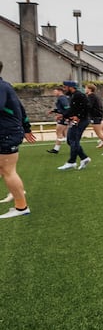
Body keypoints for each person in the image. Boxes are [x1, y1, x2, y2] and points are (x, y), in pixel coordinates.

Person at [0, 60, 37, 218]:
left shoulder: (1, 87)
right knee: (5, 169)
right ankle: (16, 194)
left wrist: (25, 128)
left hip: (6, 133)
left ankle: (21, 207)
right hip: (9, 131)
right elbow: (20, 108)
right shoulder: (6, 85)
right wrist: (26, 128)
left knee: (8, 170)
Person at [56, 80, 92, 171]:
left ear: (70, 87)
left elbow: (88, 107)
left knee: (73, 140)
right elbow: (73, 109)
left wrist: (78, 116)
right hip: (77, 120)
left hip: (81, 120)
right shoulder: (73, 95)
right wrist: (63, 115)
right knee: (70, 140)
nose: (64, 89)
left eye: (65, 87)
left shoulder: (79, 95)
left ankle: (72, 162)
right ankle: (84, 158)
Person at [85, 83, 103, 154]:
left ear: (89, 89)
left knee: (99, 133)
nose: (85, 89)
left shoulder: (91, 96)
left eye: (86, 88)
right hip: (96, 115)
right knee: (99, 132)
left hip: (95, 116)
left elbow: (89, 106)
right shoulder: (93, 96)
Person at [46, 86, 70, 154]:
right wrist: (54, 111)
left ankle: (56, 149)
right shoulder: (62, 98)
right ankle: (56, 149)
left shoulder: (62, 98)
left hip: (64, 118)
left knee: (59, 132)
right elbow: (62, 108)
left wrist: (62, 115)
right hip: (65, 117)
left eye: (55, 91)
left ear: (60, 91)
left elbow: (67, 108)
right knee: (64, 134)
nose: (54, 93)